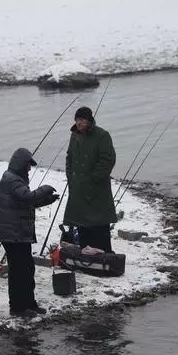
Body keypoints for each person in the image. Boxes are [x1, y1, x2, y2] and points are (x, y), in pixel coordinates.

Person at [0, 148, 59, 317]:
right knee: (18, 271)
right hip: (13, 235)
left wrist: (46, 200)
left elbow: (25, 203)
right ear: (21, 164)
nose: (29, 169)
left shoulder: (16, 179)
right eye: (28, 166)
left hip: (20, 233)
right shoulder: (11, 180)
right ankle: (17, 307)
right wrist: (44, 189)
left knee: (27, 268)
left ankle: (29, 303)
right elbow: (27, 197)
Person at [63, 106, 117, 252]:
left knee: (99, 223)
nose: (79, 123)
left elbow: (107, 160)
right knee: (81, 223)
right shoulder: (74, 135)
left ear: (89, 121)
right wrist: (70, 176)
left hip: (97, 189)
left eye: (82, 120)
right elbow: (69, 157)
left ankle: (103, 255)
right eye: (77, 120)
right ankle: (85, 254)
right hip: (78, 187)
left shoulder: (102, 135)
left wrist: (94, 178)